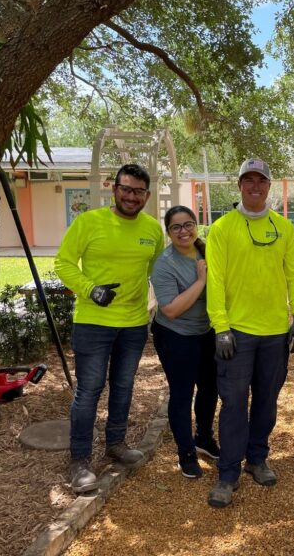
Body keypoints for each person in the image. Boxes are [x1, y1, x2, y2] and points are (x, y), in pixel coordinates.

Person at [55, 163, 164, 494]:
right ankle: (80, 461)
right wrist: (91, 289)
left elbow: (159, 269)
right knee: (89, 391)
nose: (132, 197)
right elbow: (62, 263)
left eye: (139, 192)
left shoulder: (152, 229)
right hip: (93, 323)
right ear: (114, 188)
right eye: (126, 189)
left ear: (147, 195)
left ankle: (115, 443)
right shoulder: (90, 222)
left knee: (123, 386)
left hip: (133, 324)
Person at [205, 158, 294, 508]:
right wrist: (221, 327)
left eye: (260, 180)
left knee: (267, 399)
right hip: (237, 333)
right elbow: (214, 280)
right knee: (233, 403)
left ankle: (257, 459)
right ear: (239, 186)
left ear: (268, 186)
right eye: (248, 180)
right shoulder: (222, 229)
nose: (255, 186)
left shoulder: (284, 228)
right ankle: (228, 473)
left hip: (275, 332)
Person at [150, 205, 218, 480]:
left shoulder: (207, 251)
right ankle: (186, 452)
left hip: (206, 331)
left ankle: (204, 438)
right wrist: (201, 280)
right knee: (182, 392)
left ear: (196, 226)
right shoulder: (165, 264)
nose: (183, 231)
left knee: (210, 388)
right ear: (168, 232)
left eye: (188, 224)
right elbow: (171, 309)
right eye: (176, 227)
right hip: (175, 335)